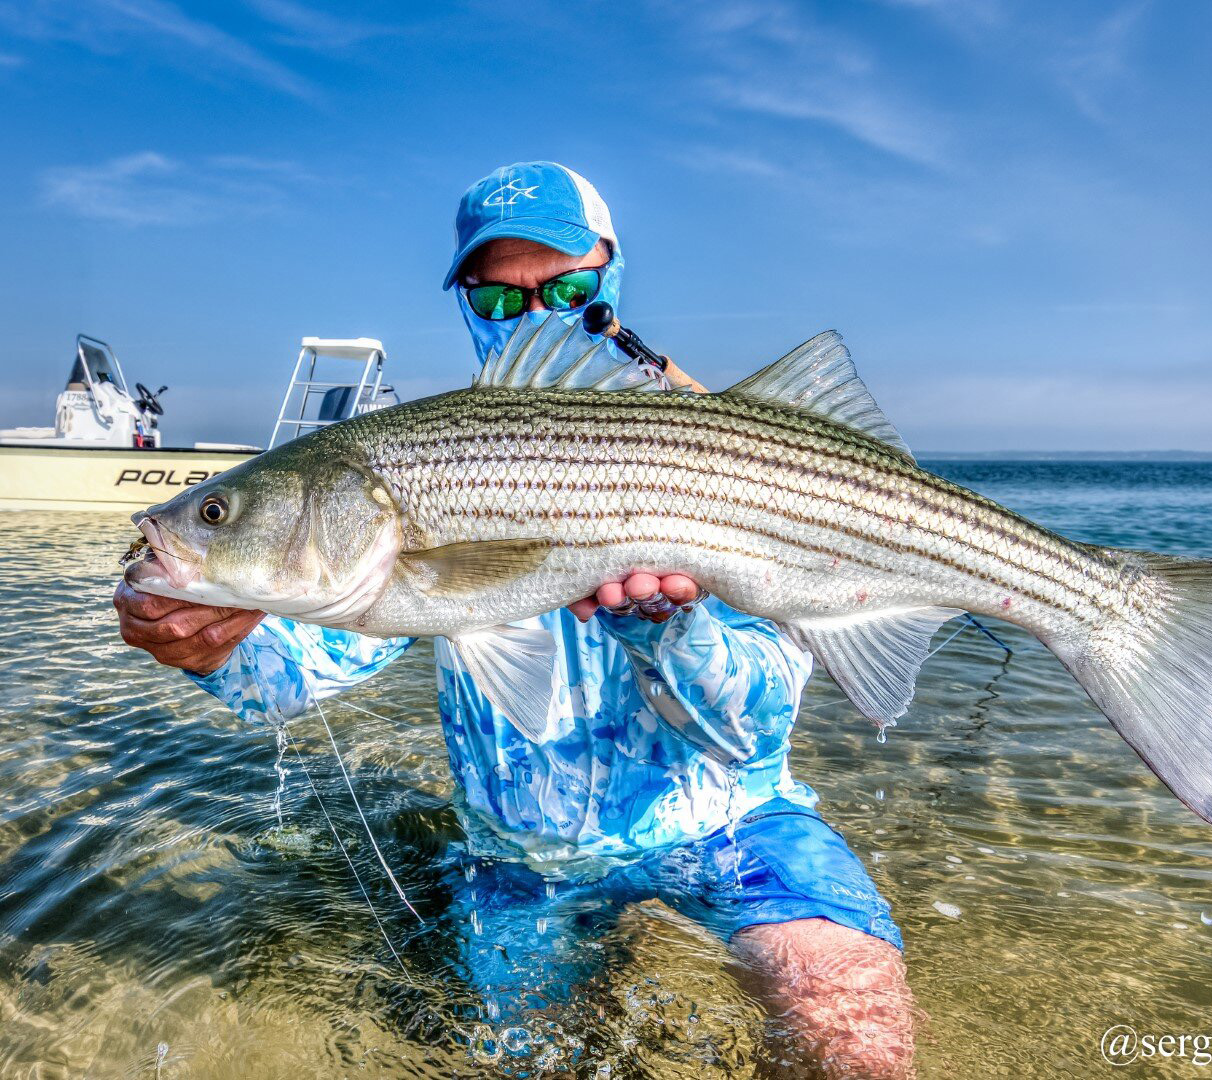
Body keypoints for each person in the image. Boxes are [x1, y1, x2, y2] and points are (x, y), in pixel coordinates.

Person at [114, 161, 914, 1076]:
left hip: (731, 824)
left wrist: (664, 630)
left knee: (848, 1020)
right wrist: (200, 643)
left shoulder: (732, 464)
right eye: (497, 300)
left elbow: (755, 723)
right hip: (521, 857)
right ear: (463, 302)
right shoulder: (414, 464)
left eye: (568, 286)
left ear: (611, 279)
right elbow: (290, 680)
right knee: (532, 1062)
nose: (536, 314)